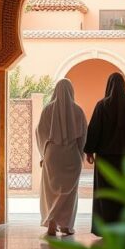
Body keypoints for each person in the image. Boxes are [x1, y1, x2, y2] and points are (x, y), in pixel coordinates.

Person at [83, 73, 125, 237]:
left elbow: (94, 130)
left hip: (106, 161)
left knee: (107, 196)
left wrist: (89, 150)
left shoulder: (102, 106)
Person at [36, 78, 88, 237]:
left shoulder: (47, 110)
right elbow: (83, 136)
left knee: (51, 191)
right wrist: (81, 155)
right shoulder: (78, 110)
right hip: (71, 156)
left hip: (53, 156)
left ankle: (51, 222)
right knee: (69, 192)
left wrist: (43, 153)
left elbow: (40, 133)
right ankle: (66, 226)